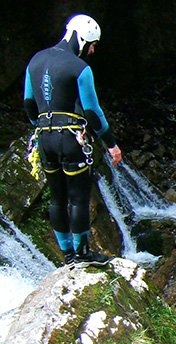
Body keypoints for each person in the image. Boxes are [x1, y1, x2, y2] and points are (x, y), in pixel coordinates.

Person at [23, 14, 122, 265]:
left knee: (57, 197)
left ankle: (67, 256)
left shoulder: (35, 61)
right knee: (78, 197)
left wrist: (42, 126)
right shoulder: (80, 68)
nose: (92, 51)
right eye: (92, 45)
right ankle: (83, 253)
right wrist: (111, 143)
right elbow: (92, 112)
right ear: (82, 38)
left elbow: (29, 103)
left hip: (44, 138)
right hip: (69, 138)